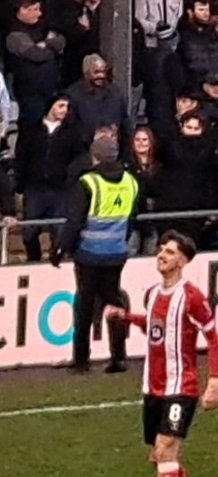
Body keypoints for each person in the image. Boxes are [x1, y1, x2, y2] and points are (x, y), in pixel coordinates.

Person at [104, 231, 218, 477]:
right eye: (161, 250)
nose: (162, 255)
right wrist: (125, 316)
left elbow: (212, 338)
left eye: (169, 252)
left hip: (181, 387)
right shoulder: (155, 293)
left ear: (183, 260)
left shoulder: (193, 297)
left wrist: (214, 381)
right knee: (157, 454)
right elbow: (157, 325)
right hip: (152, 385)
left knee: (166, 450)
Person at [52, 134, 141, 373]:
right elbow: (132, 218)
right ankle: (119, 356)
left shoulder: (88, 183)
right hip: (116, 252)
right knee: (114, 300)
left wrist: (60, 249)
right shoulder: (131, 182)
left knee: (85, 303)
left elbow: (75, 220)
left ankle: (81, 359)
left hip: (89, 253)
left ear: (95, 156)